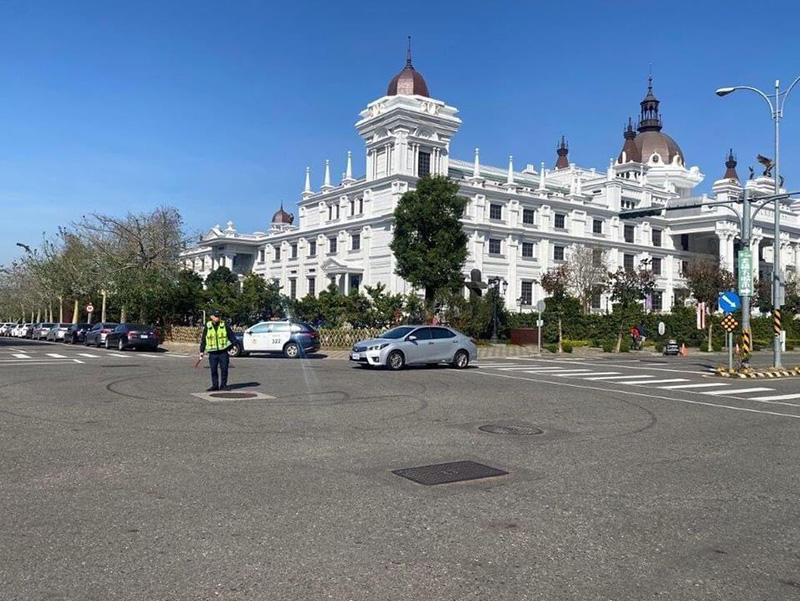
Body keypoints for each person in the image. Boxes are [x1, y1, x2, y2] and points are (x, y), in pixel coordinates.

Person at [199, 311, 237, 391]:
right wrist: (201, 351)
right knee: (213, 370)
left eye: (218, 316)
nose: (217, 318)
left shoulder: (224, 324)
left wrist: (232, 345)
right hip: (212, 353)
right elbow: (204, 339)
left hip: (223, 352)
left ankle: (223, 385)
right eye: (216, 316)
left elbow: (231, 336)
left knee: (224, 369)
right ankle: (215, 385)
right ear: (211, 317)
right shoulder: (208, 326)